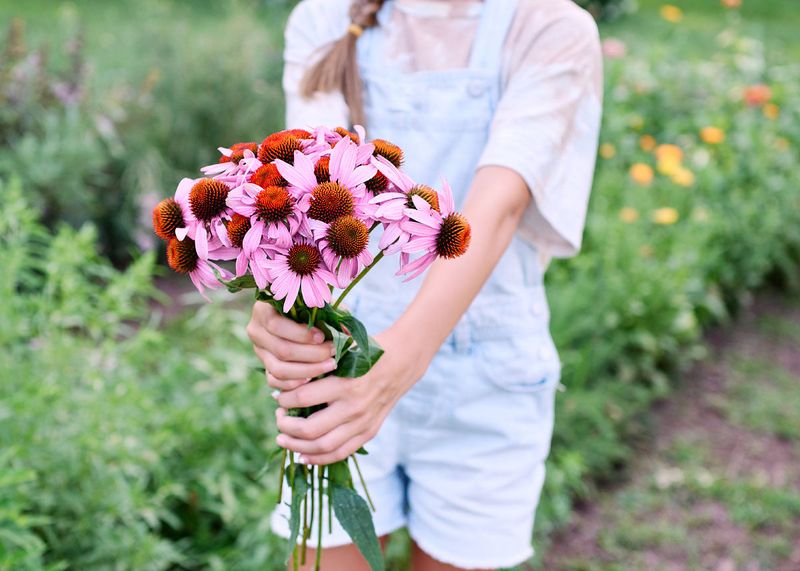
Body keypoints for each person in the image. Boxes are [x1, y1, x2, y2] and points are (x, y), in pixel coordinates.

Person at [246, 0, 603, 569]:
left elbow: (497, 211)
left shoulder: (549, 26)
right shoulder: (324, 18)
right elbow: (305, 199)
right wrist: (279, 310)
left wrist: (393, 368)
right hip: (343, 357)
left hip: (485, 375)